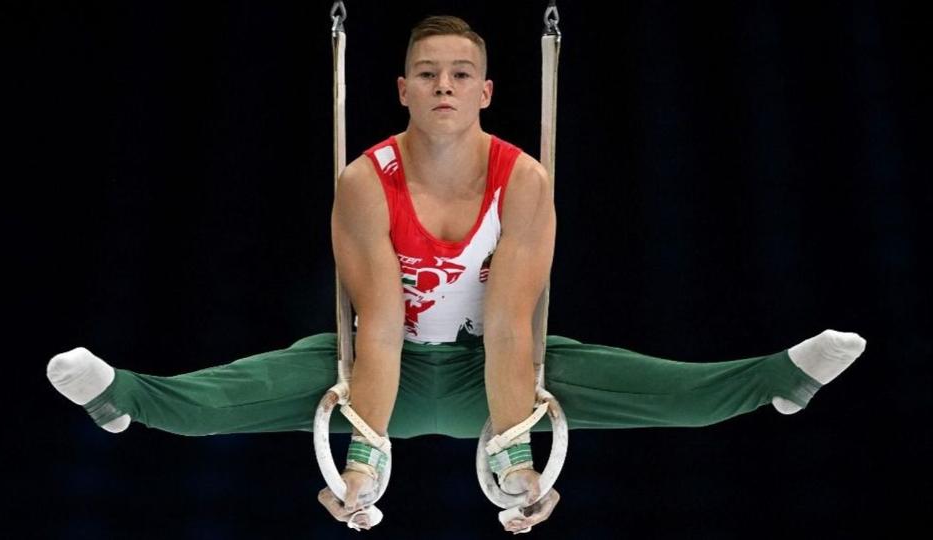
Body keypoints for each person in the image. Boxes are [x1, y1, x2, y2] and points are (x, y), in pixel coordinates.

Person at [46, 16, 867, 534]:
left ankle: (780, 382)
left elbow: (509, 326)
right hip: (381, 368)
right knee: (222, 398)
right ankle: (123, 399)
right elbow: (377, 323)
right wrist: (361, 462)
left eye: (461, 72)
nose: (444, 84)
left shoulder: (525, 181)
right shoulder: (365, 180)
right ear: (403, 88)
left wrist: (517, 463)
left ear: (486, 91)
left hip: (492, 370)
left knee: (668, 392)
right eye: (429, 72)